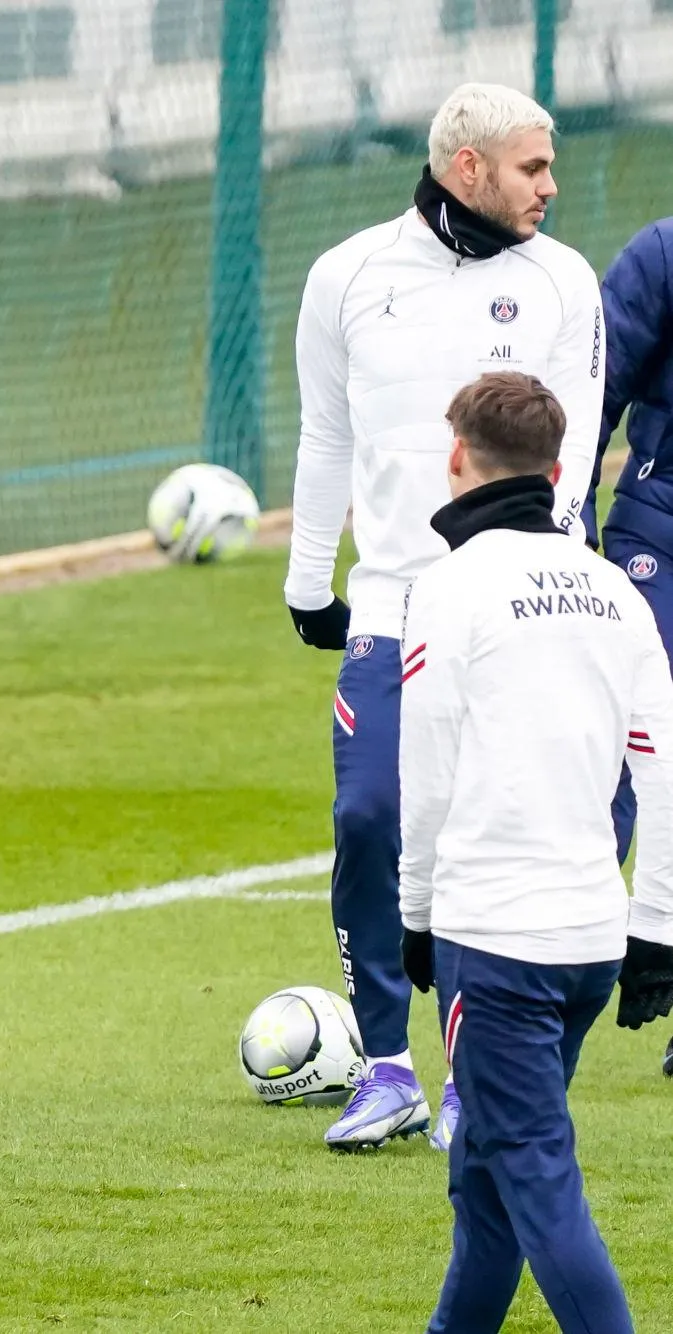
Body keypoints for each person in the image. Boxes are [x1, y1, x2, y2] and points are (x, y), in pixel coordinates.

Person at [286, 83, 606, 1151]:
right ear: (467, 168)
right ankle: (385, 1066)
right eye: (532, 168)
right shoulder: (347, 277)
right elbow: (325, 435)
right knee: (370, 816)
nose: (550, 188)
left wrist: (533, 584)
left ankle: (478, 1072)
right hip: (391, 602)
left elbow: (570, 465)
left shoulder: (565, 283)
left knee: (490, 834)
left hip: (514, 605)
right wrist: (306, 583)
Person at [398, 370, 673, 1334]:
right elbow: (663, 767)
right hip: (590, 944)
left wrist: (416, 917)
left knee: (539, 1189)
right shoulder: (614, 591)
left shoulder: (445, 588)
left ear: (455, 460)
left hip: (497, 944)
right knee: (487, 1188)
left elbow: (424, 769)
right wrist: (658, 929)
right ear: (561, 472)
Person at [582, 218, 673, 1070]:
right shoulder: (664, 252)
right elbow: (597, 384)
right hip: (661, 525)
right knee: (620, 738)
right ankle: (561, 954)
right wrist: (569, 511)